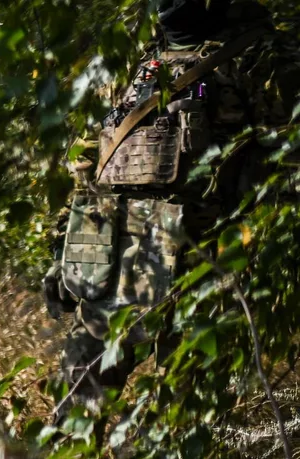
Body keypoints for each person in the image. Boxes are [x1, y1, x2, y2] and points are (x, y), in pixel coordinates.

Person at [45, 0, 300, 415]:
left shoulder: (262, 58)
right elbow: (91, 164)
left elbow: (288, 164)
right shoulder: (135, 62)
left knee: (182, 419)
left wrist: (258, 260)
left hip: (203, 271)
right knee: (75, 404)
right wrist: (63, 253)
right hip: (112, 263)